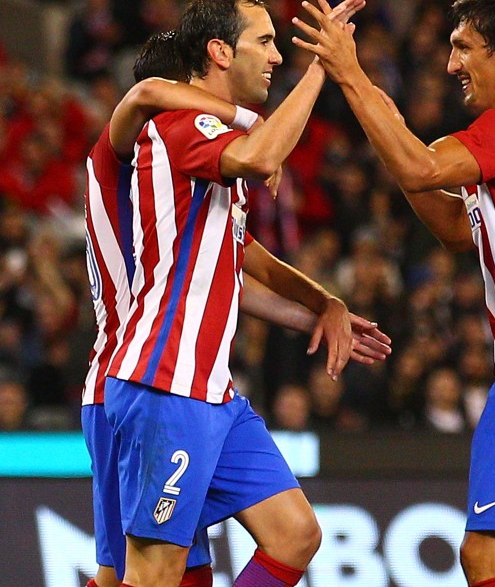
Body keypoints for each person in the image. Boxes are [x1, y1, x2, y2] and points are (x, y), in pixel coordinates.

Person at [292, 0, 495, 587]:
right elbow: (454, 228)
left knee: (488, 558)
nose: (451, 64)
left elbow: (420, 166)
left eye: (463, 47)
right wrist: (385, 122)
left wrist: (351, 75)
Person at [83, 30, 389, 587]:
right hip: (134, 375)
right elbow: (149, 92)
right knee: (128, 572)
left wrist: (317, 307)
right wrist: (253, 123)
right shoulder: (144, 142)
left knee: (278, 538)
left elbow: (230, 267)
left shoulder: (199, 173)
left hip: (199, 379)